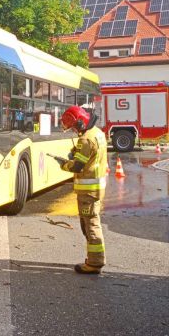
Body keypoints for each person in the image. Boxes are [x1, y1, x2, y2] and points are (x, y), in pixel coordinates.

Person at [54, 105, 109, 274]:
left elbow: (78, 166)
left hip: (88, 191)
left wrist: (64, 164)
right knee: (90, 223)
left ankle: (94, 263)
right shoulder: (97, 133)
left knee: (91, 225)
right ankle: (94, 260)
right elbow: (89, 156)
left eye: (74, 127)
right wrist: (75, 151)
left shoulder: (85, 139)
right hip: (97, 188)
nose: (73, 130)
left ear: (79, 123)